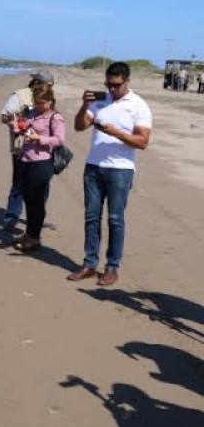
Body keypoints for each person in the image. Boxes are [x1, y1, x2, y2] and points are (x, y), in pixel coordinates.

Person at [68, 61, 152, 286]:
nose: (112, 90)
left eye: (116, 85)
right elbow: (79, 126)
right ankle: (89, 263)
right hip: (94, 167)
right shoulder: (100, 101)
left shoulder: (138, 106)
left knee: (115, 219)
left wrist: (115, 132)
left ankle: (112, 267)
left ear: (127, 82)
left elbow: (143, 141)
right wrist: (84, 106)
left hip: (120, 170)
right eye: (108, 84)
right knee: (91, 217)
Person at [11, 84, 65, 253]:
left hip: (42, 163)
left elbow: (59, 140)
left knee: (37, 201)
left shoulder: (56, 117)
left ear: (50, 101)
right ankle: (29, 234)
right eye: (36, 102)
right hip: (25, 159)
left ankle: (35, 238)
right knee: (28, 198)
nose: (38, 106)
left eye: (42, 103)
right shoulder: (32, 113)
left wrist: (39, 138)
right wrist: (17, 127)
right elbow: (24, 128)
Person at [0, 70, 54, 232]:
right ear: (36, 82)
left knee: (42, 185)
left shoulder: (48, 96)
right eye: (47, 85)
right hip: (21, 148)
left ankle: (38, 217)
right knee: (19, 183)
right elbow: (4, 116)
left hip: (43, 149)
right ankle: (11, 216)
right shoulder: (20, 96)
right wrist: (16, 119)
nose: (49, 88)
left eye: (51, 86)